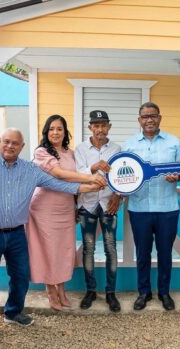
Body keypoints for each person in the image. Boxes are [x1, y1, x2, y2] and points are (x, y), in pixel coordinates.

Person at [0, 128, 104, 339]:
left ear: (22, 146)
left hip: (17, 233)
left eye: (15, 143)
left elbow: (58, 184)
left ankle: (13, 312)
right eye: (6, 141)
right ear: (0, 141)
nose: (10, 146)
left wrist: (90, 186)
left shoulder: (31, 170)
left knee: (21, 275)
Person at [26, 115, 104, 311]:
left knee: (64, 250)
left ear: (65, 132)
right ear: (46, 132)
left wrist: (79, 201)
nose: (55, 132)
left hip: (66, 207)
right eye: (51, 129)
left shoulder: (71, 153)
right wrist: (90, 179)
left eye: (59, 129)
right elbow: (59, 174)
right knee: (48, 250)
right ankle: (50, 290)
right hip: (44, 209)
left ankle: (61, 289)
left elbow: (75, 177)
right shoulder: (41, 152)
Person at [124, 102, 180, 311]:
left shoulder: (174, 142)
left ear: (160, 118)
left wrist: (178, 176)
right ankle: (144, 292)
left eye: (153, 116)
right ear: (139, 120)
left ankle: (164, 292)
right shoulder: (129, 145)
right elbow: (123, 174)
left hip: (167, 208)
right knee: (142, 253)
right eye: (145, 116)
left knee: (165, 253)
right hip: (139, 208)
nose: (149, 120)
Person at [75, 110, 122, 312]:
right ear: (90, 128)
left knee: (111, 248)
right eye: (96, 125)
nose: (100, 129)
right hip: (87, 205)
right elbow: (77, 175)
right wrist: (93, 167)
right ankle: (91, 290)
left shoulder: (117, 149)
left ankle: (111, 293)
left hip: (108, 204)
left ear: (109, 127)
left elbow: (122, 176)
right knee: (88, 248)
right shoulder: (80, 149)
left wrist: (118, 195)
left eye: (103, 125)